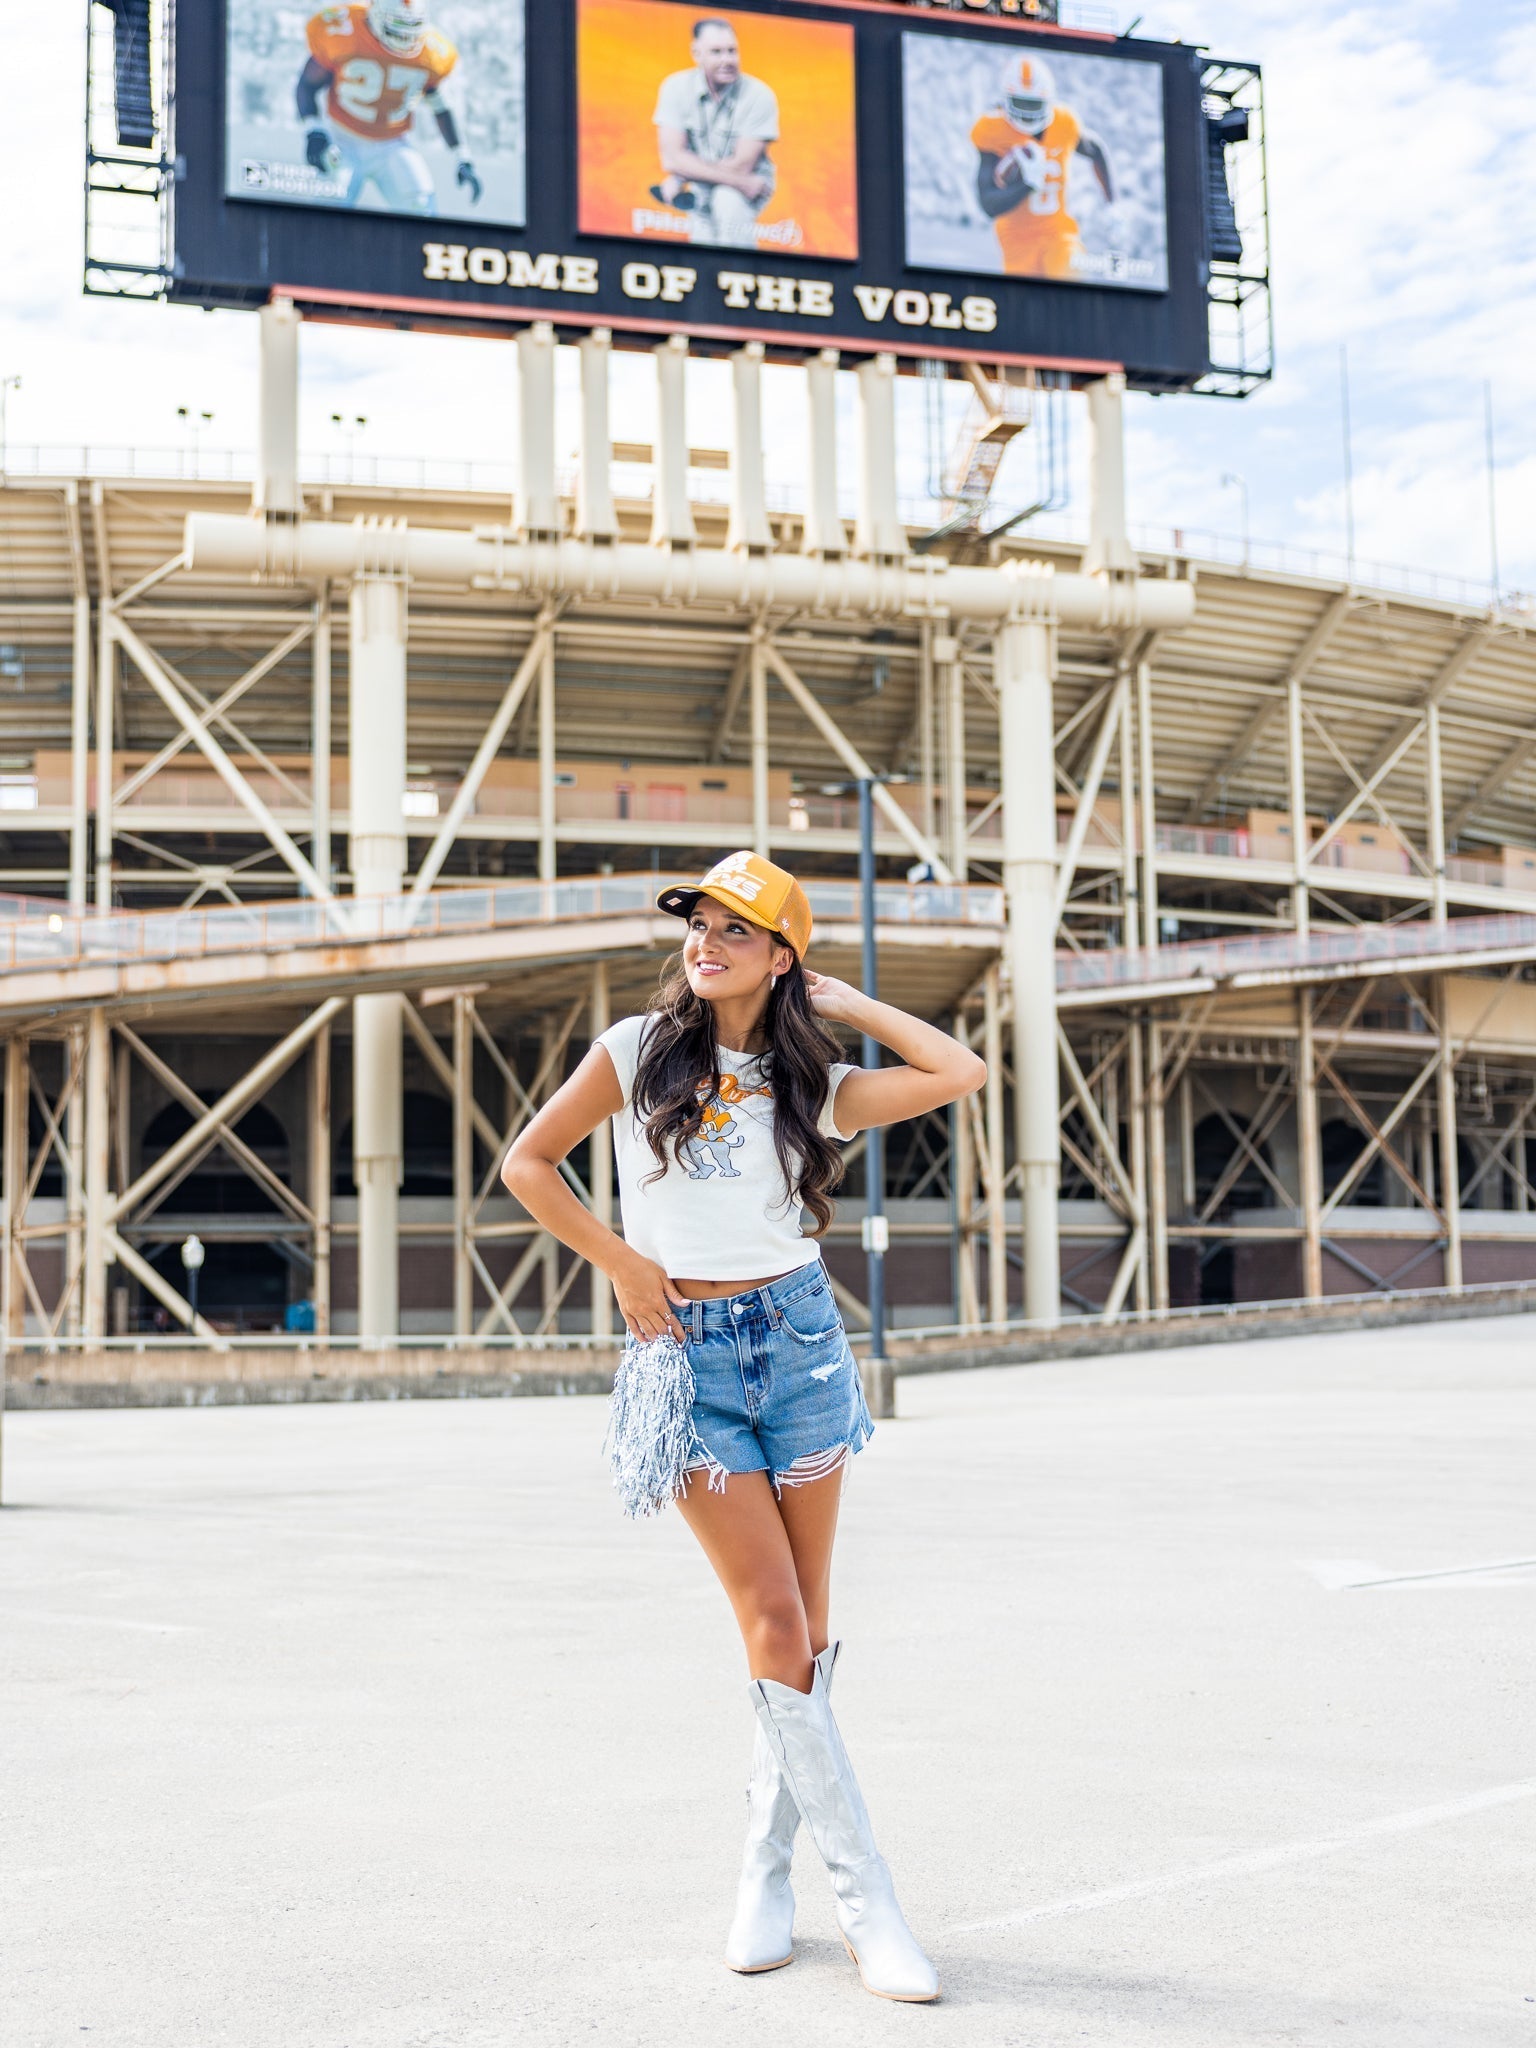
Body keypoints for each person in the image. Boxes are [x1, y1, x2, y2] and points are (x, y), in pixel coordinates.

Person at [503, 851, 985, 2003]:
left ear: (780, 954)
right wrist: (620, 1261)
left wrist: (851, 1002)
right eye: (698, 921)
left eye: (735, 927)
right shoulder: (632, 1051)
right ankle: (869, 1901)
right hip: (687, 1359)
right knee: (771, 1613)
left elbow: (958, 1068)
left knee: (808, 1632)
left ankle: (765, 1876)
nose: (704, 938)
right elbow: (530, 1161)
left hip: (805, 1344)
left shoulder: (807, 1084)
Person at [295, 0, 482, 217]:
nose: (406, 38)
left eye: (413, 27)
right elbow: (307, 85)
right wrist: (314, 131)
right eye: (398, 25)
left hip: (392, 144)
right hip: (341, 138)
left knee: (423, 209)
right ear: (375, 15)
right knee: (326, 214)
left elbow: (440, 106)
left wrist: (462, 156)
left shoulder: (432, 52)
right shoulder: (344, 31)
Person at [971, 53, 1114, 280]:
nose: (1027, 111)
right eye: (1021, 102)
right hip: (1016, 243)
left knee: (1071, 281)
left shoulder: (1064, 123)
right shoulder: (992, 130)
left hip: (1058, 234)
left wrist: (1111, 203)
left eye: (1033, 103)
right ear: (1006, 100)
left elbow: (1096, 150)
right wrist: (1027, 184)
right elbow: (988, 203)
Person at [652, 17, 777, 249]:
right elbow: (671, 158)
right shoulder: (674, 87)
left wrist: (683, 174)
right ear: (696, 53)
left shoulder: (759, 95)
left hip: (744, 190)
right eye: (717, 52)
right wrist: (681, 174)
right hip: (723, 184)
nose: (727, 60)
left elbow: (742, 165)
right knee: (702, 244)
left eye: (732, 51)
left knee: (726, 200)